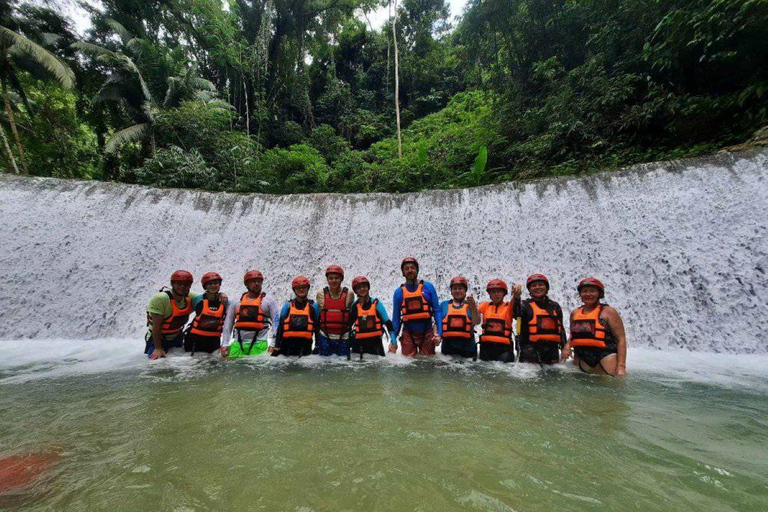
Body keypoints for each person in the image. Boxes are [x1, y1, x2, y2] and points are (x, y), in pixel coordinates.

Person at [561, 278, 627, 376]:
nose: (588, 294)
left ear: (599, 294)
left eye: (592, 291)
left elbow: (621, 339)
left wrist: (621, 366)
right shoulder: (575, 313)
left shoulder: (608, 312)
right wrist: (567, 346)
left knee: (610, 388)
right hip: (582, 357)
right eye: (584, 291)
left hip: (605, 356)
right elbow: (574, 335)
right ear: (580, 294)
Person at [221, 270, 280, 358]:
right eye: (253, 281)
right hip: (238, 344)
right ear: (246, 284)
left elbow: (277, 322)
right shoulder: (236, 302)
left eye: (259, 281)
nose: (256, 284)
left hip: (260, 344)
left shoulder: (269, 301)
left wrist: (274, 344)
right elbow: (228, 323)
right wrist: (225, 344)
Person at [392, 257, 442, 356]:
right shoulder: (398, 293)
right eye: (406, 268)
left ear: (417, 270)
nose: (410, 270)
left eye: (412, 268)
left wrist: (439, 334)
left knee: (428, 362)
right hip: (408, 332)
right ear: (403, 273)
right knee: (408, 363)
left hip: (427, 331)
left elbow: (437, 311)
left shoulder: (428, 287)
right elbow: (396, 318)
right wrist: (393, 341)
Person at [145, 270, 197, 359]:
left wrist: (220, 295)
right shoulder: (161, 299)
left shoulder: (191, 297)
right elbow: (156, 327)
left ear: (190, 286)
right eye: (179, 283)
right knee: (157, 365)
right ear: (172, 284)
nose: (182, 287)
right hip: (158, 339)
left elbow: (207, 298)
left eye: (186, 284)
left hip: (177, 337)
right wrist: (158, 348)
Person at [515, 274, 566, 365]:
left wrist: (564, 347)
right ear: (529, 290)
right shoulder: (524, 305)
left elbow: (561, 329)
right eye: (534, 286)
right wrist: (516, 298)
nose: (537, 287)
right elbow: (516, 315)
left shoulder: (555, 306)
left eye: (540, 285)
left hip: (551, 351)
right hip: (530, 350)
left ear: (546, 288)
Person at [347, 276, 397, 359]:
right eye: (359, 287)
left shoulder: (377, 304)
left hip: (376, 345)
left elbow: (388, 323)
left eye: (364, 286)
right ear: (355, 291)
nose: (362, 289)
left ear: (368, 288)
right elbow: (348, 326)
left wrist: (394, 342)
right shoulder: (355, 306)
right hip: (359, 347)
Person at [273, 276, 321, 357]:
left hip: (305, 351)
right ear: (294, 290)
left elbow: (317, 328)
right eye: (298, 288)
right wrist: (276, 347)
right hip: (286, 351)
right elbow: (281, 328)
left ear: (308, 289)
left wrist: (317, 346)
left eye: (303, 287)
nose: (301, 290)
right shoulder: (287, 306)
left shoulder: (314, 306)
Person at [477, 279, 521, 362]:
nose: (496, 294)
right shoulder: (485, 305)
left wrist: (517, 294)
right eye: (493, 292)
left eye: (499, 292)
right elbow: (473, 313)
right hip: (486, 348)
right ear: (489, 294)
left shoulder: (509, 306)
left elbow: (516, 303)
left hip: (504, 349)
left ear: (504, 293)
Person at [184, 272, 228, 355]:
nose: (213, 286)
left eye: (216, 283)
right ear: (205, 286)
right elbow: (184, 312)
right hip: (194, 340)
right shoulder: (197, 299)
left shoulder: (225, 301)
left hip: (213, 341)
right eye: (210, 284)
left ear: (219, 285)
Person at [316, 265, 355, 356]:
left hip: (343, 336)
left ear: (341, 279)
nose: (334, 281)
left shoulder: (349, 294)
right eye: (331, 278)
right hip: (325, 335)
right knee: (325, 364)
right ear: (327, 279)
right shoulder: (320, 294)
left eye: (336, 278)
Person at [439, 277, 480, 359]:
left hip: (467, 347)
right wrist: (437, 335)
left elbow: (476, 321)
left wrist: (473, 307)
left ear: (465, 291)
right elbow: (437, 323)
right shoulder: (444, 305)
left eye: (460, 288)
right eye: (454, 289)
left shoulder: (470, 305)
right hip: (448, 346)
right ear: (451, 291)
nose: (457, 291)